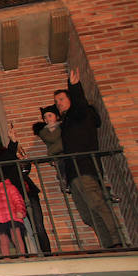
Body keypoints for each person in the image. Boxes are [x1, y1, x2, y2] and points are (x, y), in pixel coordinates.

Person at [55, 69, 122, 248]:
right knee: (87, 215)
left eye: (61, 99)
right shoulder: (68, 123)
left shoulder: (81, 115)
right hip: (74, 174)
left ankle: (117, 241)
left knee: (97, 205)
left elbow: (81, 105)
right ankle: (108, 245)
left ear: (71, 99)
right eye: (56, 101)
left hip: (85, 168)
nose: (58, 103)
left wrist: (74, 86)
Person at [0, 127, 51, 254]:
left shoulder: (4, 151)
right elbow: (6, 160)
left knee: (38, 226)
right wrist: (13, 143)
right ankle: (24, 257)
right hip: (11, 195)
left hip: (26, 189)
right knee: (18, 229)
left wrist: (20, 158)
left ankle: (48, 254)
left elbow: (17, 165)